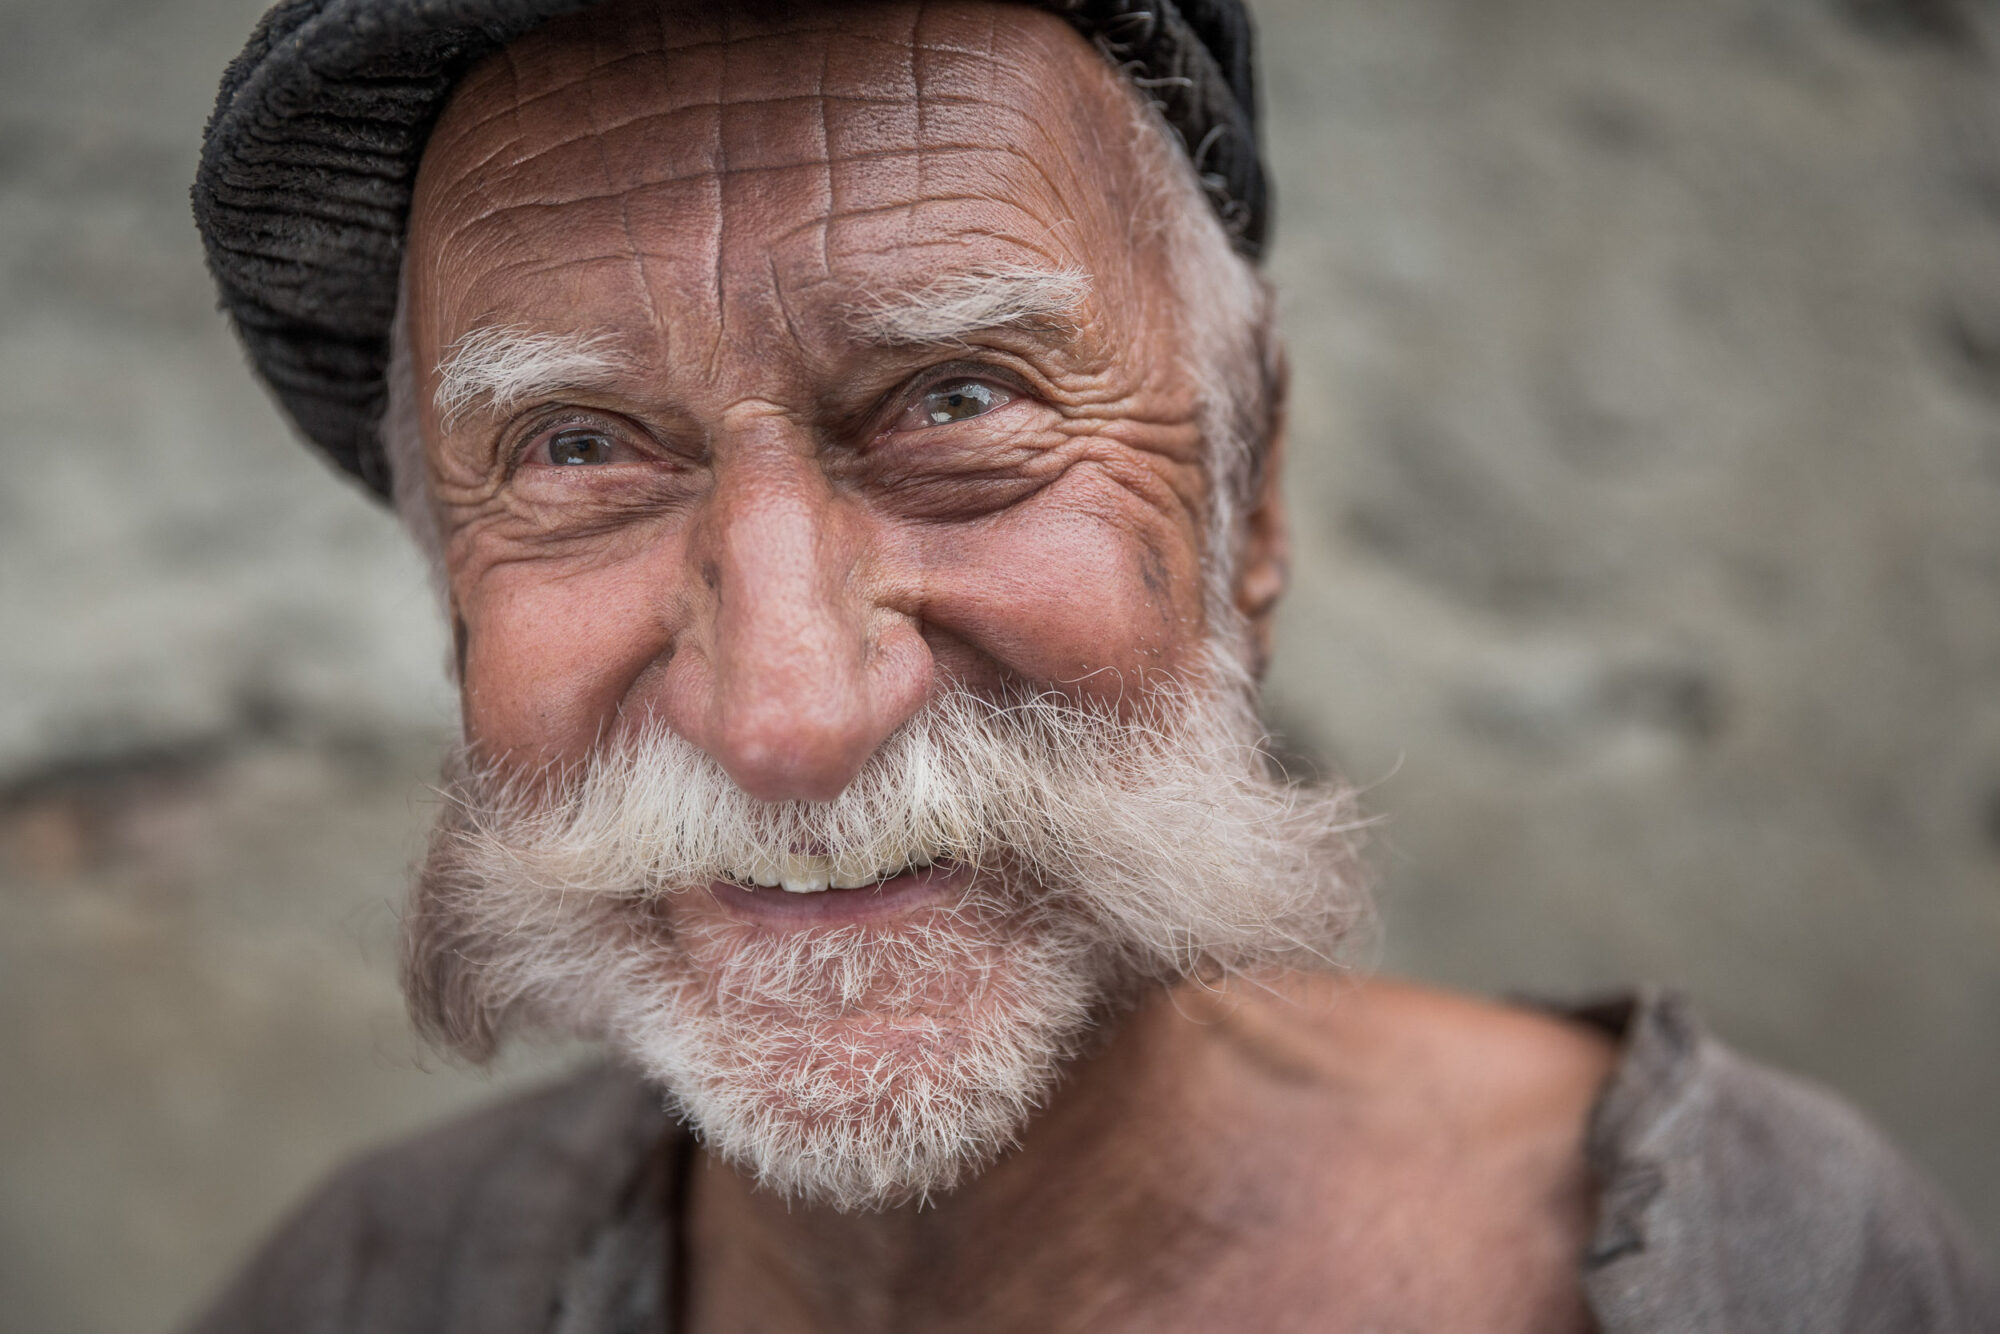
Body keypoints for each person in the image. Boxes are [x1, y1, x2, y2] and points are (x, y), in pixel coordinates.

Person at [186, 0, 1996, 1328]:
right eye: (578, 452)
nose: (791, 716)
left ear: (1250, 494)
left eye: (959, 405)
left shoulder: (1776, 1265)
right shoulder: (364, 1289)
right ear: (447, 594)